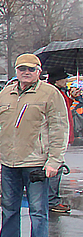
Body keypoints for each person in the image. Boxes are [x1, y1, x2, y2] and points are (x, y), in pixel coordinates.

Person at [0, 54, 68, 237]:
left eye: (30, 69)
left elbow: (60, 128)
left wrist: (54, 161)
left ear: (39, 71)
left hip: (36, 164)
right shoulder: (5, 93)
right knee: (9, 211)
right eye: (22, 69)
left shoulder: (50, 94)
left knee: (38, 213)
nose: (26, 72)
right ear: (16, 70)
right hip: (9, 163)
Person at [46, 69, 72, 215]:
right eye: (64, 79)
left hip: (63, 136)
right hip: (56, 138)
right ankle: (52, 200)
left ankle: (52, 199)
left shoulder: (60, 93)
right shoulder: (54, 95)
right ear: (57, 81)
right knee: (56, 167)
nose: (66, 81)